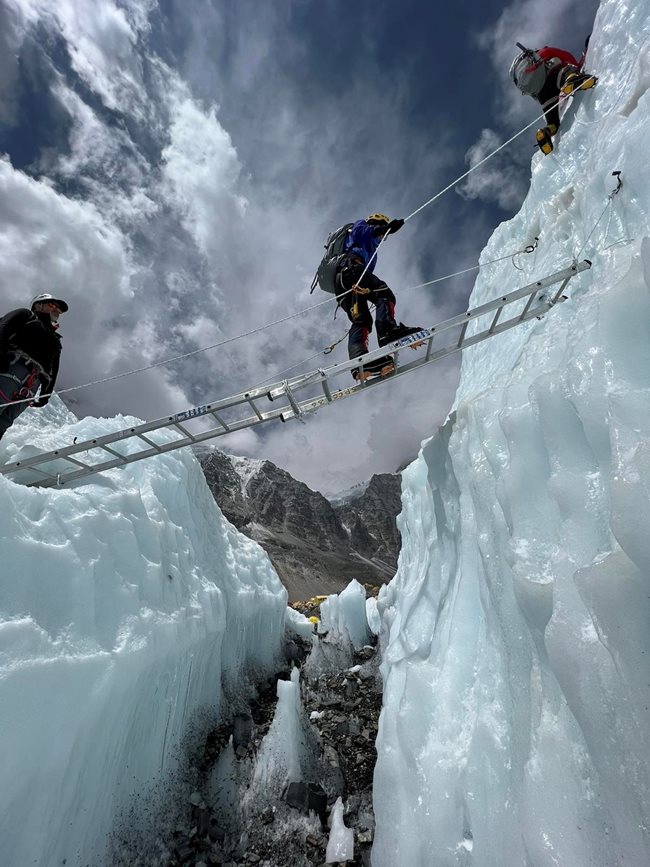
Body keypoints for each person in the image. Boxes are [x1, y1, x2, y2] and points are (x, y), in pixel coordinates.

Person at [335, 213, 423, 380]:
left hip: (344, 284)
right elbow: (361, 232)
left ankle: (361, 361)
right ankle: (388, 332)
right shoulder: (360, 226)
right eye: (381, 231)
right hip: (351, 269)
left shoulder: (372, 253)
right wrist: (385, 228)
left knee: (362, 320)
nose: (382, 236)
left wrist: (367, 291)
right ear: (374, 223)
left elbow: (367, 281)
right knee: (385, 294)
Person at [0, 293, 68, 442]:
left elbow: (53, 369)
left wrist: (46, 393)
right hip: (10, 368)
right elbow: (2, 329)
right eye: (52, 305)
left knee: (4, 422)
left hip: (30, 385)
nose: (56, 310)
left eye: (59, 310)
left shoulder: (56, 340)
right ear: (38, 305)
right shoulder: (25, 315)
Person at [509, 43, 597, 154]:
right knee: (564, 72)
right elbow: (565, 56)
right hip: (554, 76)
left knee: (553, 121)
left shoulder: (527, 78)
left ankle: (547, 131)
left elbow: (533, 94)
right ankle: (572, 80)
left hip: (543, 95)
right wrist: (576, 67)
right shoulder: (543, 52)